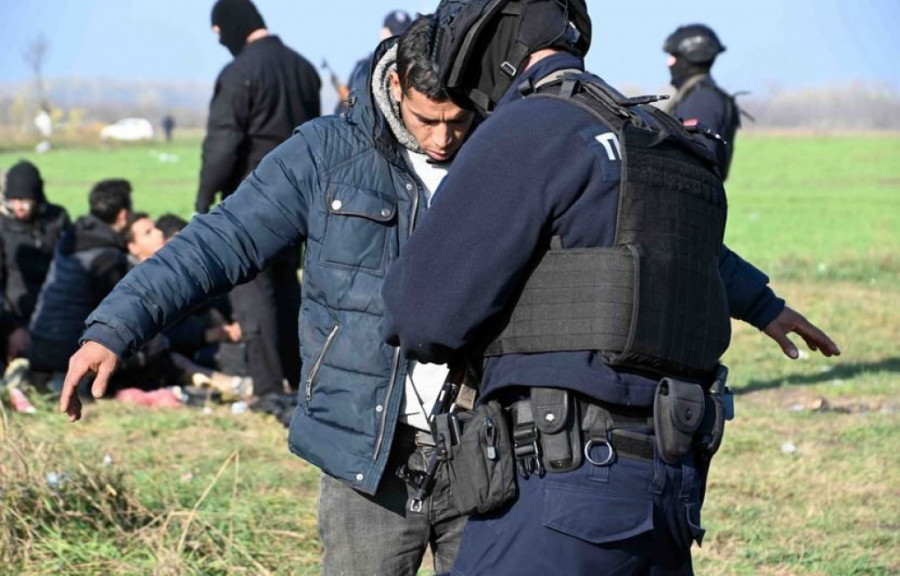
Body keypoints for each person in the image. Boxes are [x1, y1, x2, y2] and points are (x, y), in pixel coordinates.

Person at [381, 1, 840, 574]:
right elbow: (654, 249)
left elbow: (423, 317)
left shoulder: (529, 127)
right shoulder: (647, 134)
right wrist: (763, 303)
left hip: (557, 486)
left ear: (483, 45)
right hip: (669, 484)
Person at [60, 17, 477, 575]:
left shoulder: (502, 153)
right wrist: (116, 326)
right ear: (396, 86)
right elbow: (219, 241)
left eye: (458, 121)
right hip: (365, 454)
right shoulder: (326, 155)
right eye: (428, 120)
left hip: (481, 448)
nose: (443, 139)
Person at [198, 0, 321, 397]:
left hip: (252, 201)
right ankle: (302, 379)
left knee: (252, 292)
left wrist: (203, 200)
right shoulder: (304, 69)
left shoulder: (239, 73)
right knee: (287, 290)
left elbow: (223, 144)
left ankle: (268, 390)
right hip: (300, 199)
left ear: (230, 27)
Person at [25, 179, 179, 394]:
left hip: (39, 341)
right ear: (123, 214)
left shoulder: (75, 234)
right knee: (150, 348)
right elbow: (117, 313)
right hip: (68, 349)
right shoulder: (106, 257)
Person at [0, 160, 70, 364]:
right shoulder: (3, 226)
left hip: (55, 312)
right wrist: (12, 328)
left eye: (25, 200)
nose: (19, 206)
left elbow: (70, 269)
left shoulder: (57, 219)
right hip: (14, 313)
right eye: (13, 200)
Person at [664, 24, 743, 180]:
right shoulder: (695, 95)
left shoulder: (702, 100)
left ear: (691, 57)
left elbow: (698, 160)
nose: (669, 62)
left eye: (674, 56)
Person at [334, 10, 413, 114]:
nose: (397, 42)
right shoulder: (364, 69)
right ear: (383, 33)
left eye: (401, 37)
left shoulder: (415, 69)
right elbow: (348, 107)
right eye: (394, 37)